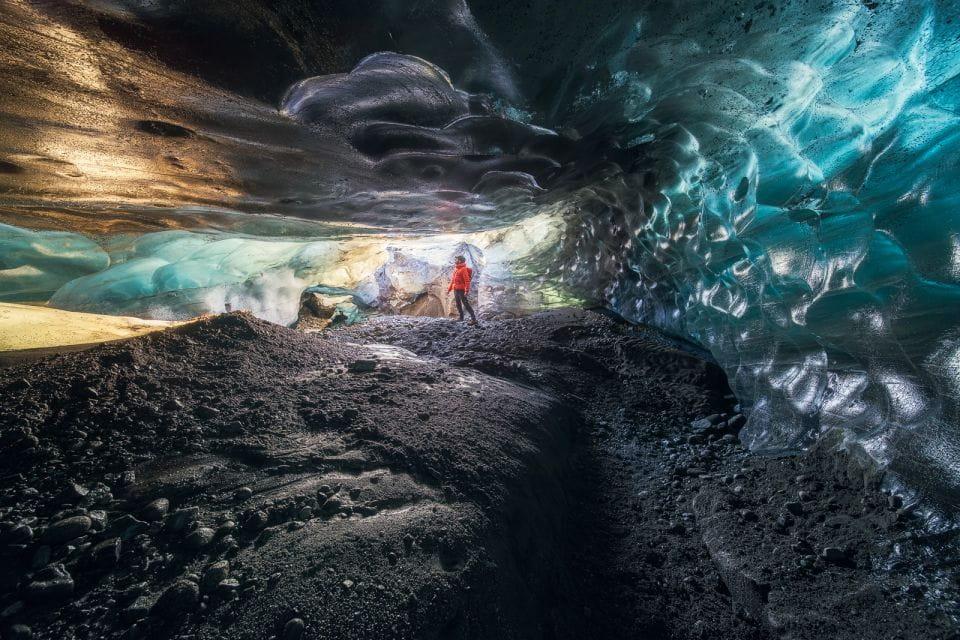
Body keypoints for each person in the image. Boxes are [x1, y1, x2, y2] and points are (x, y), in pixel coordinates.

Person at [447, 255, 478, 325]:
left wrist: (466, 291)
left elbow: (467, 281)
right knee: (458, 304)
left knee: (466, 304)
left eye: (456, 259)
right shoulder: (456, 269)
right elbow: (453, 280)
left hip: (461, 290)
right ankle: (461, 317)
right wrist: (449, 289)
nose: (455, 261)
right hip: (456, 289)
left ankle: (474, 319)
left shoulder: (463, 269)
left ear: (460, 261)